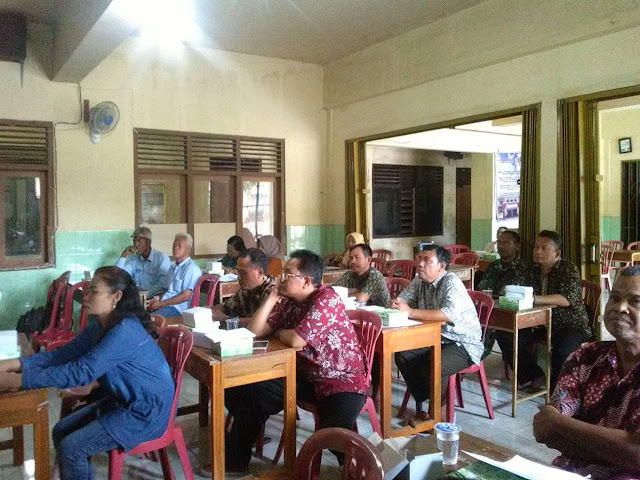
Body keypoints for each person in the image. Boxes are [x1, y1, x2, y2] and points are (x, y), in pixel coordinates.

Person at [0, 267, 175, 480]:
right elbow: (63, 356)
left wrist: (20, 380)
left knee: (72, 449)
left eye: (94, 291)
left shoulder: (124, 331)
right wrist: (16, 363)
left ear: (116, 297)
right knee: (61, 431)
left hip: (146, 413)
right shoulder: (100, 325)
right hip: (124, 402)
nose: (86, 295)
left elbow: (81, 372)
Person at [224, 250, 368, 475]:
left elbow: (297, 340)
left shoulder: (326, 299)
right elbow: (253, 331)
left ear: (306, 281)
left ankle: (366, 469)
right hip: (305, 376)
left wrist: (282, 332)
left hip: (341, 379)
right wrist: (272, 298)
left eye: (287, 274)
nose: (281, 278)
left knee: (333, 434)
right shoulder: (288, 301)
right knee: (251, 388)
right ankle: (237, 458)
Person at [533, 267, 640, 479]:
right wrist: (621, 448)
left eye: (635, 301)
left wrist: (561, 424)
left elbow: (637, 455)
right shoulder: (585, 358)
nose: (620, 308)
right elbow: (544, 429)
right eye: (615, 298)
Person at [391, 244, 483, 423]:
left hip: (462, 342)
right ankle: (435, 402)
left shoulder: (451, 282)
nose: (421, 264)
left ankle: (437, 414)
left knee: (435, 363)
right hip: (435, 338)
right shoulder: (420, 280)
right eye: (420, 259)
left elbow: (447, 314)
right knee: (403, 355)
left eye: (427, 261)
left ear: (441, 266)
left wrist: (409, 312)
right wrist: (396, 304)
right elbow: (402, 299)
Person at [502, 231, 591, 389]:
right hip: (537, 322)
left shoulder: (568, 269)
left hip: (568, 323)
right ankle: (533, 376)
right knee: (505, 333)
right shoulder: (530, 269)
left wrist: (533, 298)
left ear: (557, 253)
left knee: (562, 350)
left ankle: (557, 391)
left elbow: (565, 299)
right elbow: (517, 287)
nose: (537, 252)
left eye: (544, 248)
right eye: (536, 247)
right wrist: (510, 290)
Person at [477, 230, 528, 359]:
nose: (500, 246)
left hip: (508, 314)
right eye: (499, 242)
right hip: (488, 311)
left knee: (501, 335)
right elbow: (482, 290)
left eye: (505, 243)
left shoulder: (525, 269)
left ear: (517, 246)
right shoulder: (493, 266)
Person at [211, 248, 274, 327]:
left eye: (243, 273)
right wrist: (213, 311)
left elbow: (261, 324)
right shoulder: (245, 290)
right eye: (238, 272)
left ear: (260, 273)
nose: (239, 278)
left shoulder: (272, 292)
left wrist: (225, 319)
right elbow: (224, 307)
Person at [147, 233, 201, 318]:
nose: (175, 248)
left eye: (180, 246)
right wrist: (157, 299)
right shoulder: (172, 268)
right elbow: (168, 291)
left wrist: (160, 304)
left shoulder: (191, 268)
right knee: (139, 314)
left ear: (188, 249)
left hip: (178, 309)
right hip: (165, 305)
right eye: (174, 245)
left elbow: (186, 296)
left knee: (149, 319)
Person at [115, 227, 171, 297]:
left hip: (154, 299)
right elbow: (119, 276)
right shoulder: (134, 260)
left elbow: (162, 284)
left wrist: (144, 295)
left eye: (138, 241)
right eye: (134, 241)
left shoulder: (162, 259)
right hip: (138, 298)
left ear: (148, 242)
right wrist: (124, 255)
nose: (135, 244)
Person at [333, 243, 391, 307]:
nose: (352, 261)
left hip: (382, 315)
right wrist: (352, 291)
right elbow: (331, 291)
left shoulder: (375, 276)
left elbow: (361, 299)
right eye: (351, 258)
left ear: (369, 260)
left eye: (357, 257)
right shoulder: (349, 274)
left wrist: (342, 294)